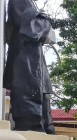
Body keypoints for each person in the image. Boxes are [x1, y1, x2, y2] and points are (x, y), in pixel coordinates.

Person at [4, 0, 55, 133]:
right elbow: (30, 28)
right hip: (25, 60)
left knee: (45, 101)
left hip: (34, 60)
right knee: (32, 113)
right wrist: (46, 23)